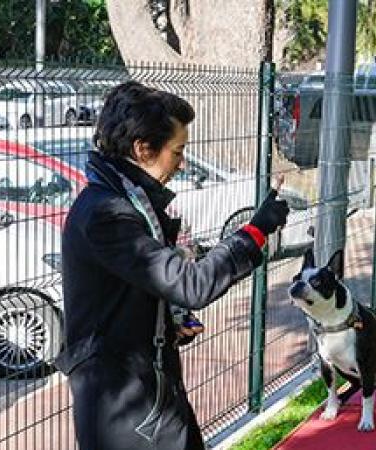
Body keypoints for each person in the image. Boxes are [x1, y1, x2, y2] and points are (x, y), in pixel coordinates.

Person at [57, 81, 289, 450]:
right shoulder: (106, 213)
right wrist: (255, 232)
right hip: (120, 400)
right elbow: (189, 284)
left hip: (147, 381)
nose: (181, 164)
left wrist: (167, 322)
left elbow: (137, 288)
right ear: (143, 149)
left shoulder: (126, 201)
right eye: (177, 152)